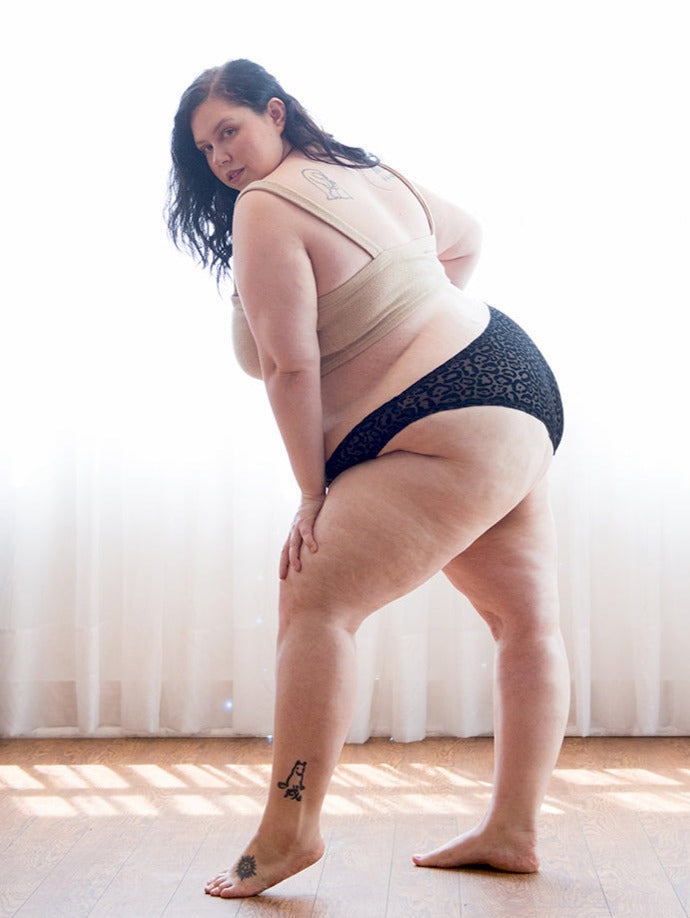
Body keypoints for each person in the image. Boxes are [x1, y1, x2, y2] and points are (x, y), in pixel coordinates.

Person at [167, 58, 569, 900]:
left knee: (314, 600)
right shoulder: (367, 168)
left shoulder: (264, 206)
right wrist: (410, 324)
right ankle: (512, 831)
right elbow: (466, 237)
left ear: (275, 113)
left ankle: (289, 833)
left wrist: (313, 494)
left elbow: (290, 367)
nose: (222, 157)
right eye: (206, 149)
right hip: (514, 380)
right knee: (522, 619)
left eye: (230, 131)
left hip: (445, 417)